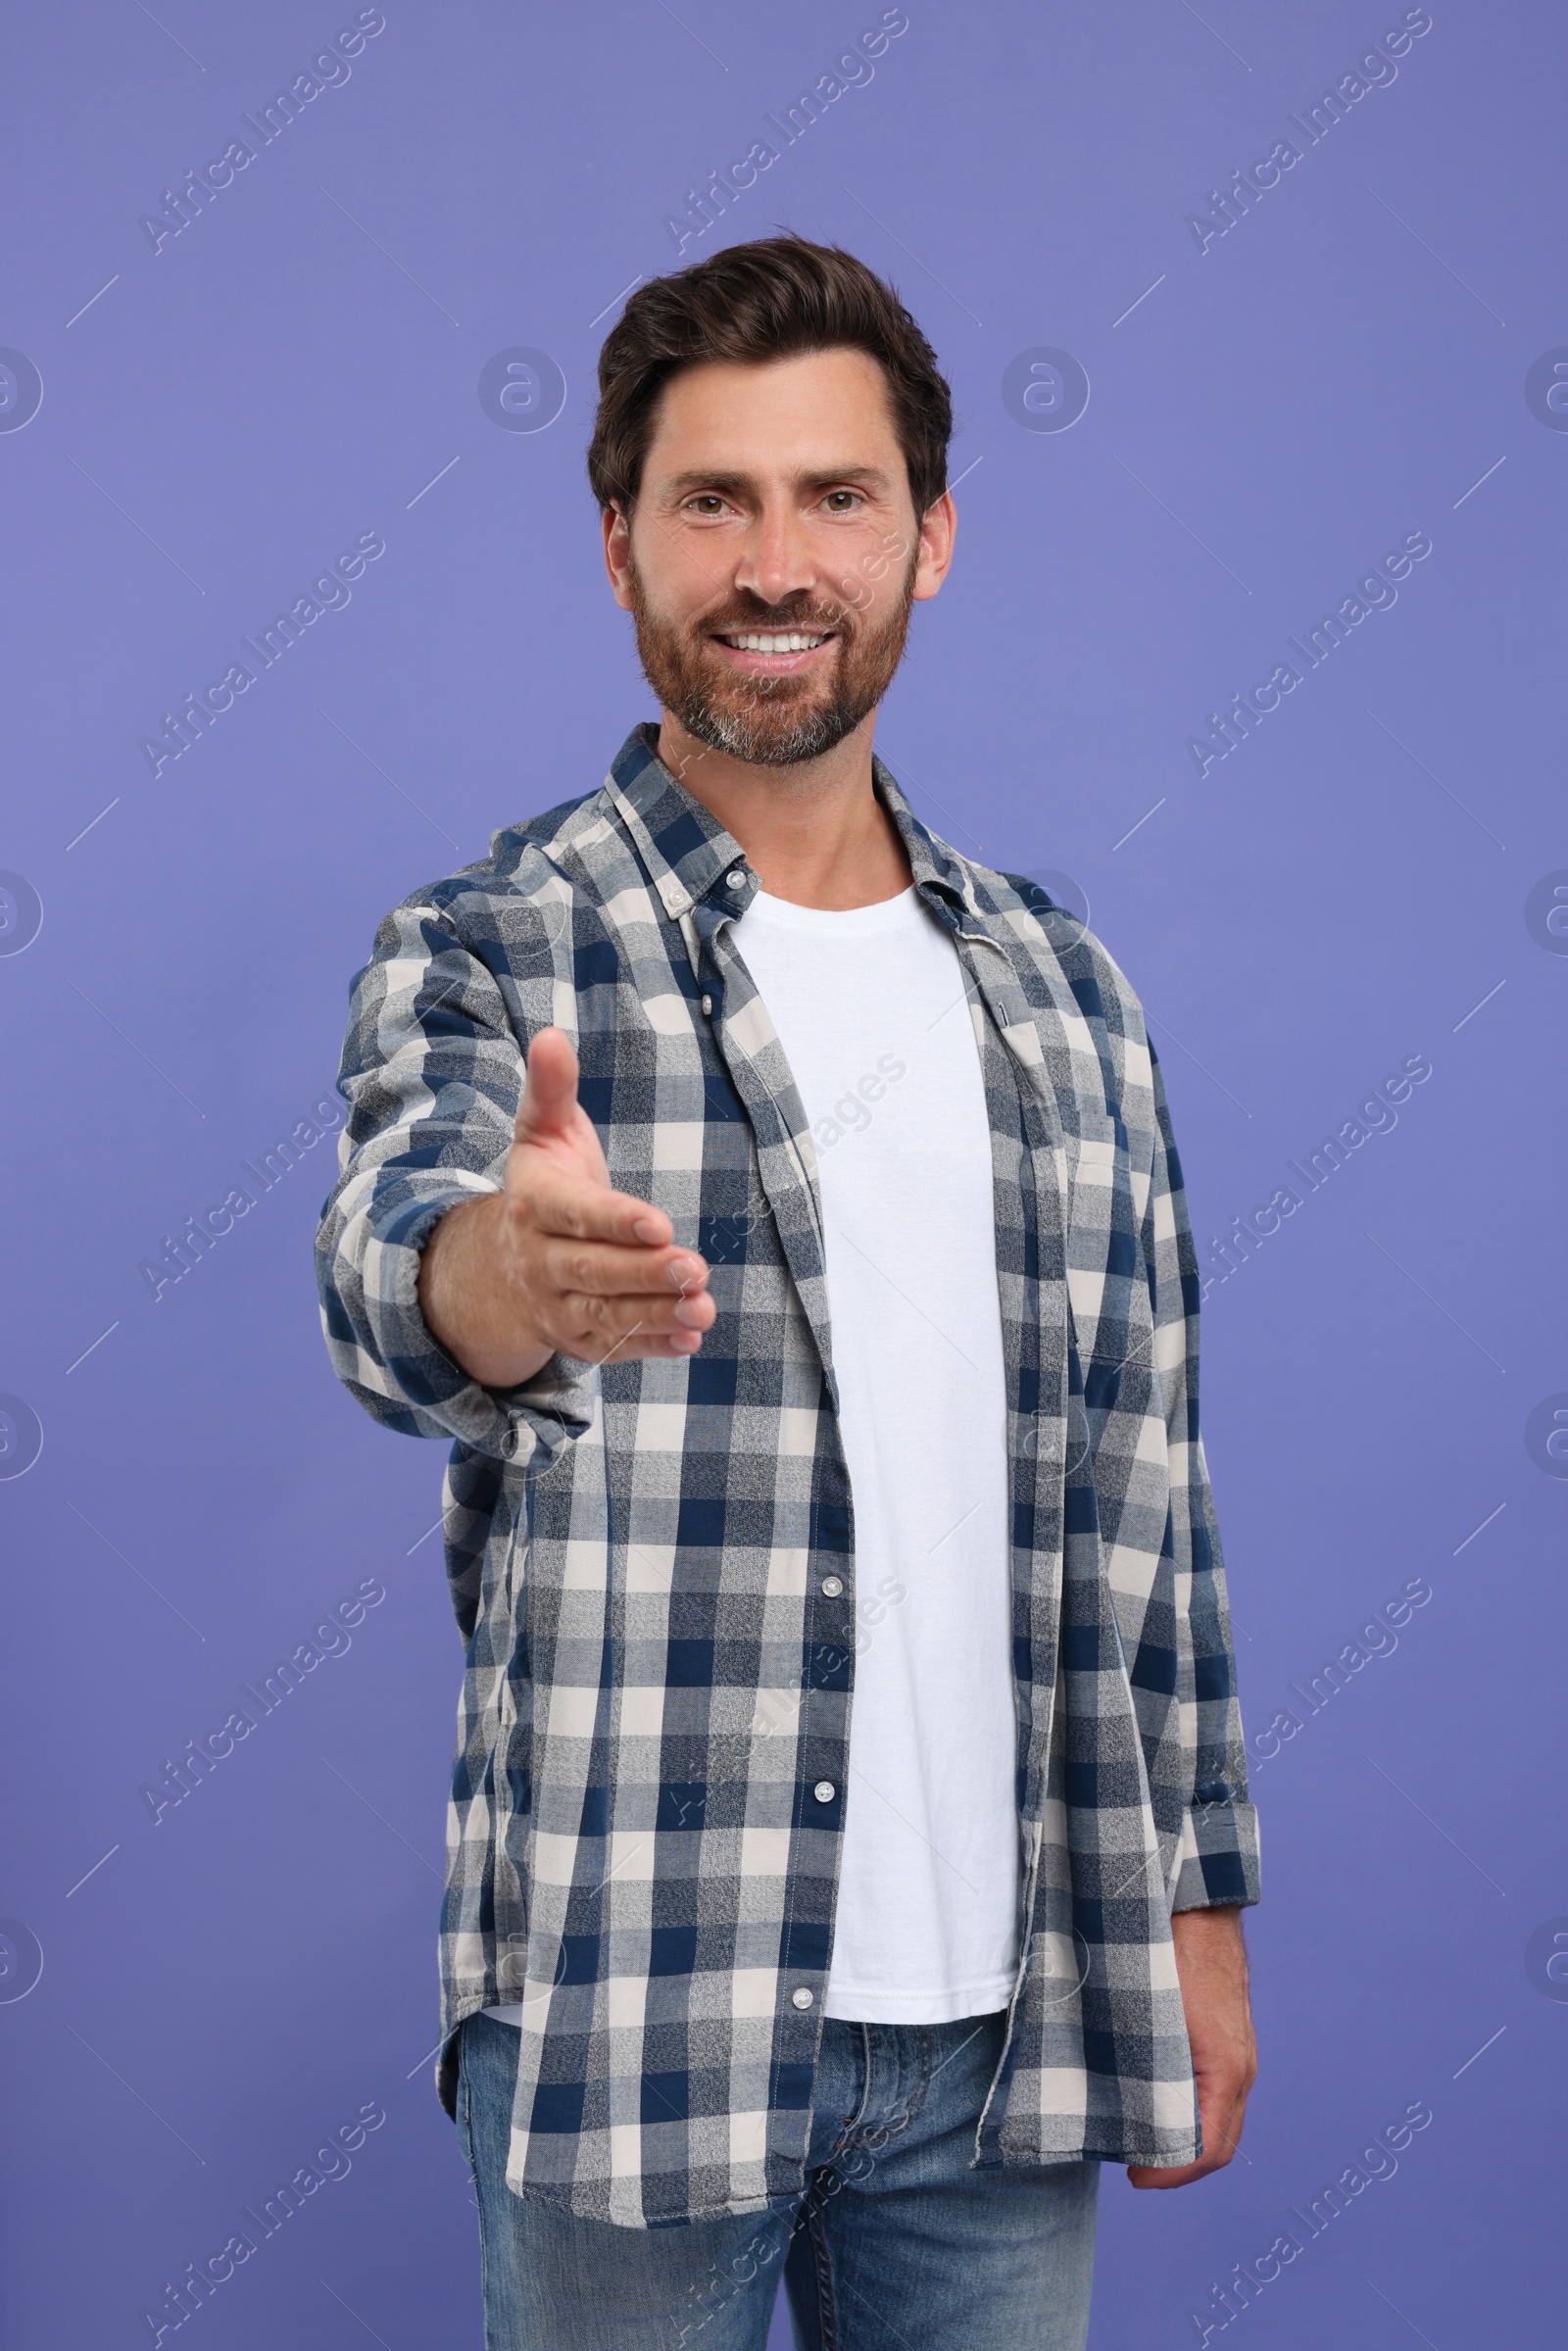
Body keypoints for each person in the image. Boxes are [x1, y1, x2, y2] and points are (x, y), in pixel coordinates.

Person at [316, 232, 1259, 2350]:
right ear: (619, 546)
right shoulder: (486, 947)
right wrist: (508, 1271)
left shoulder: (1061, 994)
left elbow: (1148, 1497)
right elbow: (396, 1280)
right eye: (710, 502)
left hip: (1004, 2037)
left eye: (833, 497)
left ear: (929, 537)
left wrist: (1194, 1907)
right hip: (636, 2009)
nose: (772, 561)